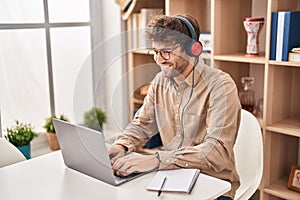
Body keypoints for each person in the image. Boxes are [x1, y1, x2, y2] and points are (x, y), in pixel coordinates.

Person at [108, 14, 241, 200]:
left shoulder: (221, 86)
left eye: (167, 51)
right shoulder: (159, 81)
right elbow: (142, 124)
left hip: (214, 185)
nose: (159, 60)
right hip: (171, 180)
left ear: (192, 49)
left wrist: (156, 160)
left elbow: (216, 152)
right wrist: (121, 145)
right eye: (155, 51)